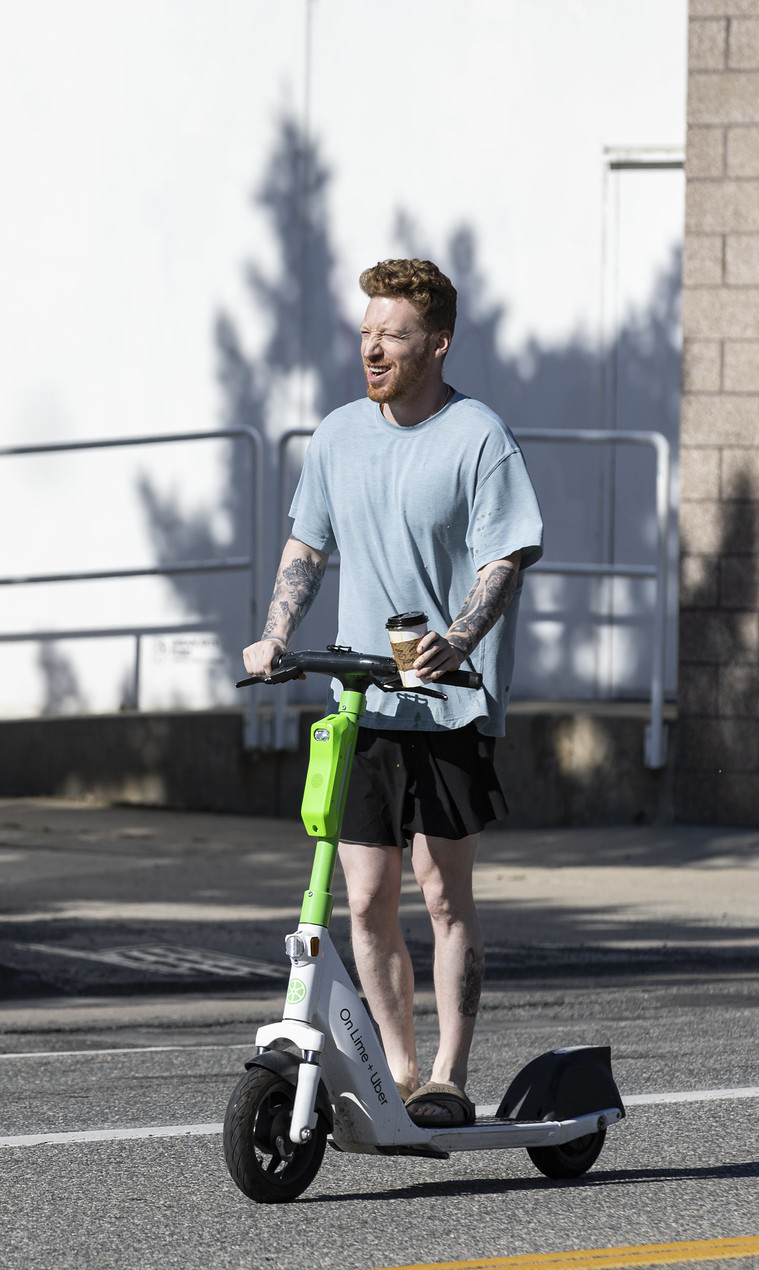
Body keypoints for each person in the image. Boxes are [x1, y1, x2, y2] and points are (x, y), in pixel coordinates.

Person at [242, 258, 543, 1128]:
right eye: (367, 332)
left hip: (448, 703)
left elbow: (503, 560)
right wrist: (276, 633)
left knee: (443, 894)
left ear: (437, 343)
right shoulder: (338, 435)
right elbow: (308, 547)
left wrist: (460, 640)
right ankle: (402, 1073)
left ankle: (449, 1074)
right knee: (367, 899)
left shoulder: (479, 437)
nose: (373, 348)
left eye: (393, 335)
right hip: (364, 703)